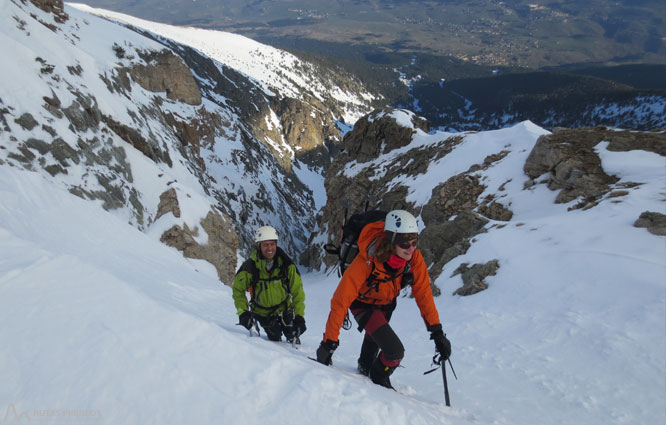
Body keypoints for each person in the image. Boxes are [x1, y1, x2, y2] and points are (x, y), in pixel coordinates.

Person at [315, 210, 451, 389]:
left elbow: (424, 294)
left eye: (414, 242)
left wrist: (437, 332)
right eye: (404, 244)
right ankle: (379, 383)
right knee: (394, 352)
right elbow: (341, 300)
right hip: (363, 304)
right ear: (391, 242)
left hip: (386, 304)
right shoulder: (368, 259)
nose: (411, 249)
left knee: (372, 347)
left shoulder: (413, 259)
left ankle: (365, 370)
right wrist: (329, 342)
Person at [233, 225, 306, 342]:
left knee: (292, 334)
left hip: (284, 308)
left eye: (272, 244)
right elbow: (238, 290)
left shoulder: (287, 265)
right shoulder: (250, 267)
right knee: (275, 339)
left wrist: (299, 316)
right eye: (265, 245)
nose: (269, 248)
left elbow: (297, 291)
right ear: (259, 246)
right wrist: (243, 312)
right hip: (262, 313)